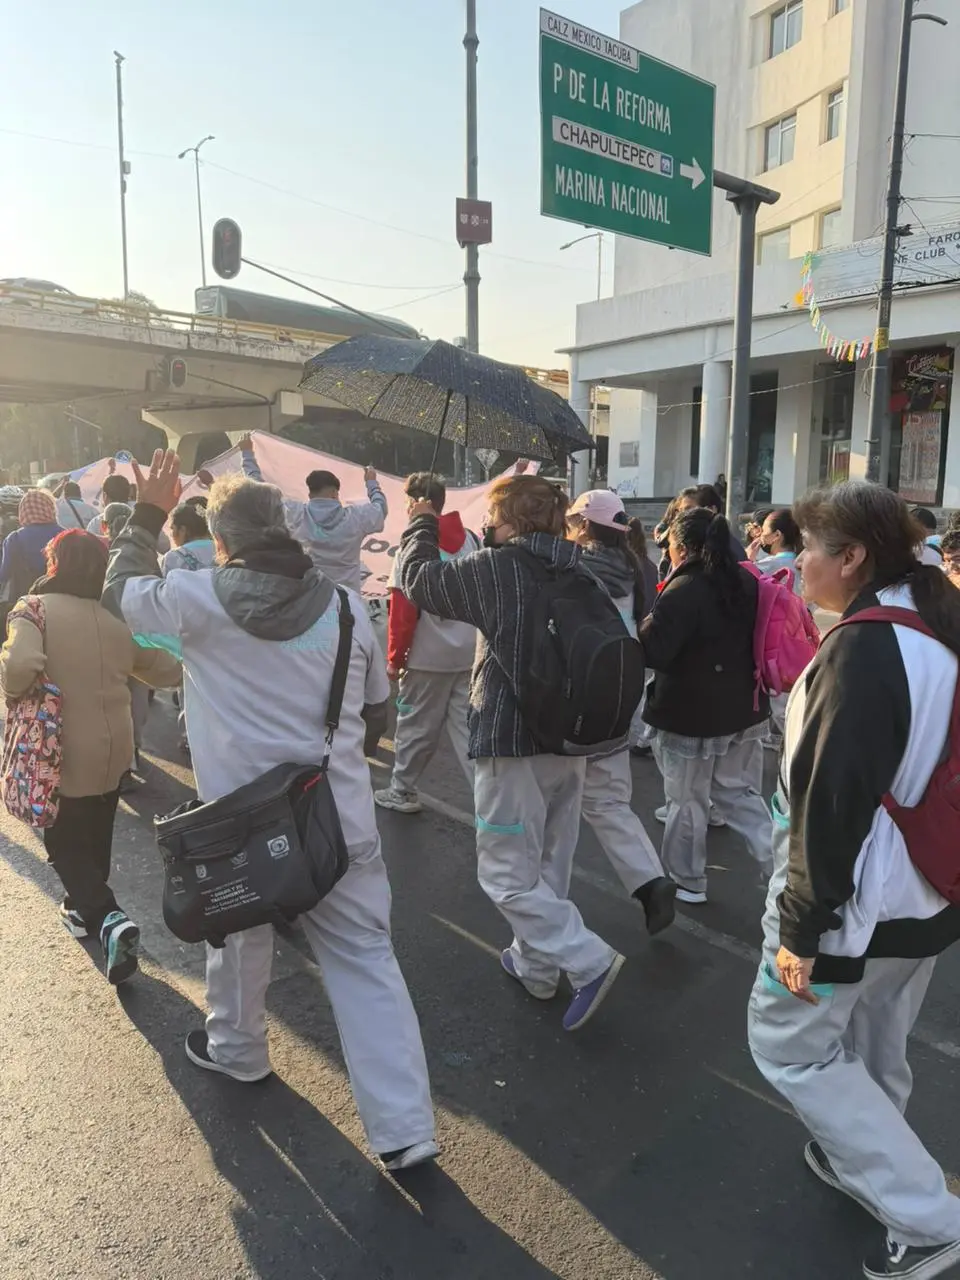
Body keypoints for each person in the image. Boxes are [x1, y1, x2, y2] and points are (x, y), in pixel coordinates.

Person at [103, 450, 436, 1172]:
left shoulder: (193, 598)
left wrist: (150, 512)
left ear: (220, 541)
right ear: (285, 527)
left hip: (233, 824)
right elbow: (376, 712)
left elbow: (118, 592)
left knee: (236, 932)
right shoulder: (345, 607)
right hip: (336, 817)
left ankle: (237, 1049)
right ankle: (405, 1131)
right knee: (364, 958)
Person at [747, 481, 960, 1280]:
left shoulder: (866, 649)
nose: (796, 560)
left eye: (807, 546)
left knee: (789, 1047)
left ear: (853, 557)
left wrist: (800, 928)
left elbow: (829, 805)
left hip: (858, 903)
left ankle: (929, 1219)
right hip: (928, 893)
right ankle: (864, 1162)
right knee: (875, 1041)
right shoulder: (934, 621)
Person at [396, 474, 625, 1033]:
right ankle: (536, 967)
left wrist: (422, 521)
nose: (486, 526)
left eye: (492, 518)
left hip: (512, 739)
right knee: (548, 861)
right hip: (571, 739)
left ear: (510, 522)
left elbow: (417, 581)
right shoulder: (579, 566)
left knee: (505, 874)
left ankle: (587, 959)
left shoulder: (499, 568)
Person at [0, 530, 180, 982]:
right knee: (97, 828)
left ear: (54, 563)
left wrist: (13, 687)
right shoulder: (116, 617)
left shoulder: (34, 608)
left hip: (60, 749)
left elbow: (19, 665)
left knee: (63, 843)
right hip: (116, 748)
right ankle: (81, 909)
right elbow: (164, 669)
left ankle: (108, 918)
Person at [640, 506, 772, 904]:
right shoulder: (746, 580)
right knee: (738, 795)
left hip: (689, 714)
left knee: (686, 800)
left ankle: (688, 879)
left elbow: (657, 653)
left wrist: (645, 628)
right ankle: (783, 867)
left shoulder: (683, 589)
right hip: (743, 707)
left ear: (682, 547)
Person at [565, 490, 676, 935]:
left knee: (557, 799)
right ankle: (650, 881)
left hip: (580, 689)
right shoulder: (640, 565)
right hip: (625, 683)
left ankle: (547, 918)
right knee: (608, 797)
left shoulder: (573, 566)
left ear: (584, 525)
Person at [375, 472, 478, 814]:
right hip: (468, 653)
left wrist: (395, 658)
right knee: (470, 734)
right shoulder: (472, 540)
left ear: (418, 503)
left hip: (425, 656)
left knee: (416, 729)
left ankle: (402, 791)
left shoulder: (412, 545)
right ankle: (490, 802)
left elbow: (402, 610)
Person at [238, 433, 387, 593]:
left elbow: (259, 493)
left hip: (308, 597)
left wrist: (247, 454)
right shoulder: (356, 517)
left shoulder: (294, 513)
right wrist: (371, 482)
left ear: (310, 494)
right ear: (334, 493)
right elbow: (380, 507)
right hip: (347, 598)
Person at [0, 490, 62, 605]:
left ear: (23, 511)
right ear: (51, 508)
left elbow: (4, 574)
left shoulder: (14, 538)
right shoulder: (65, 535)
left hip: (24, 603)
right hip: (58, 602)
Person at [162, 502, 215, 575]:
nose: (171, 535)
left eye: (173, 528)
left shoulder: (173, 557)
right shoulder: (222, 549)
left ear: (182, 530)